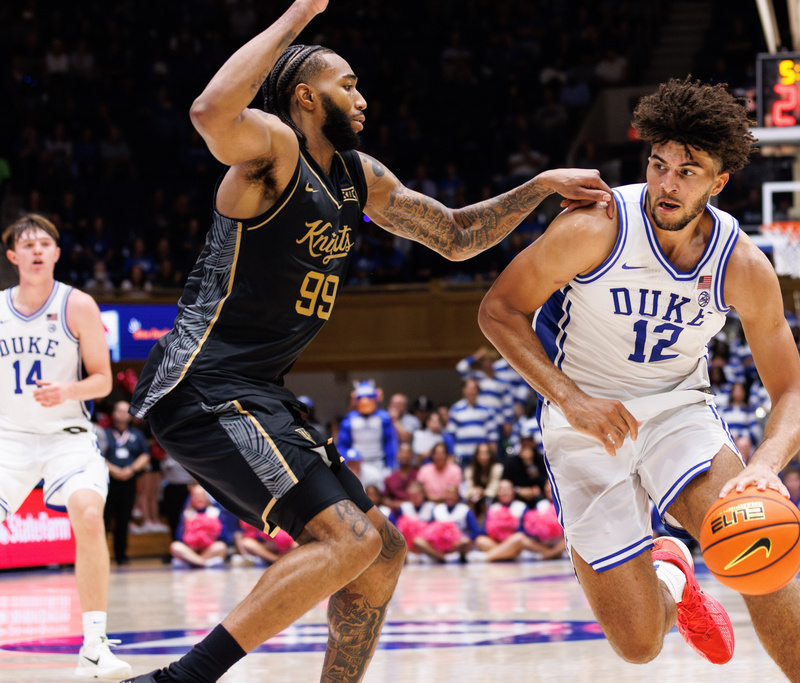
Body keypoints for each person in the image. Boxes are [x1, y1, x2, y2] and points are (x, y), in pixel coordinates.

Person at [124, 1, 614, 680]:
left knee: (381, 549)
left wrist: (538, 187)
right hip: (203, 384)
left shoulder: (358, 175)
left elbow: (453, 235)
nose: (361, 98)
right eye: (346, 85)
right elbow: (210, 113)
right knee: (348, 538)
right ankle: (180, 678)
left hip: (257, 392)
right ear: (304, 95)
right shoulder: (273, 151)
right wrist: (297, 15)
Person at [478, 77, 800, 679]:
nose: (667, 183)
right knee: (640, 642)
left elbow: (794, 396)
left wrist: (765, 467)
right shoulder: (596, 228)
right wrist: (571, 399)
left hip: (677, 412)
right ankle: (672, 571)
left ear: (719, 183)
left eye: (688, 171)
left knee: (764, 558)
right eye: (658, 163)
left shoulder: (742, 264)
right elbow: (497, 311)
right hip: (584, 420)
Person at [0, 214, 130, 679]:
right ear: (13, 256)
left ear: (56, 253)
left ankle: (94, 648)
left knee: (90, 515)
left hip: (66, 439)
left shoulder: (78, 305)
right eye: (27, 243)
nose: (36, 249)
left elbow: (102, 380)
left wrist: (66, 391)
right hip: (8, 441)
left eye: (45, 243)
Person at [101, 400, 151, 566]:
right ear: (113, 414)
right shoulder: (105, 433)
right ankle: (101, 556)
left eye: (126, 411)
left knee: (124, 519)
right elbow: (96, 454)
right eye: (119, 410)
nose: (123, 414)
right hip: (108, 482)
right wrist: (113, 470)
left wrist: (131, 469)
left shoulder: (137, 434)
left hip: (129, 482)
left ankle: (121, 555)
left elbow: (145, 455)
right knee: (104, 519)